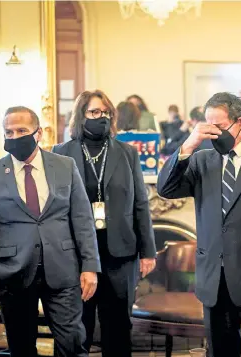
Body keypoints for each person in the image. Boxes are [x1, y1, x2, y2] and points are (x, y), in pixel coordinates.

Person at [157, 92, 241, 357]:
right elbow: (165, 188)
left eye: (218, 127)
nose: (212, 133)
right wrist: (188, 145)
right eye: (207, 126)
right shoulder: (201, 161)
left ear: (240, 123)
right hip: (214, 280)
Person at [0, 106, 100, 357]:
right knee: (21, 347)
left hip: (62, 271)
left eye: (22, 130)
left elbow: (82, 220)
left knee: (72, 342)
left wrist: (90, 266)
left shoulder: (65, 166)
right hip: (12, 274)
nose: (15, 137)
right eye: (9, 132)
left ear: (38, 133)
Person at [52, 90, 157, 357]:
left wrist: (148, 251)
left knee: (119, 325)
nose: (101, 117)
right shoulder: (61, 154)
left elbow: (140, 204)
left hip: (120, 252)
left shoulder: (127, 153)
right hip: (77, 253)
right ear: (81, 115)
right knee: (79, 325)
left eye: (105, 112)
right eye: (94, 112)